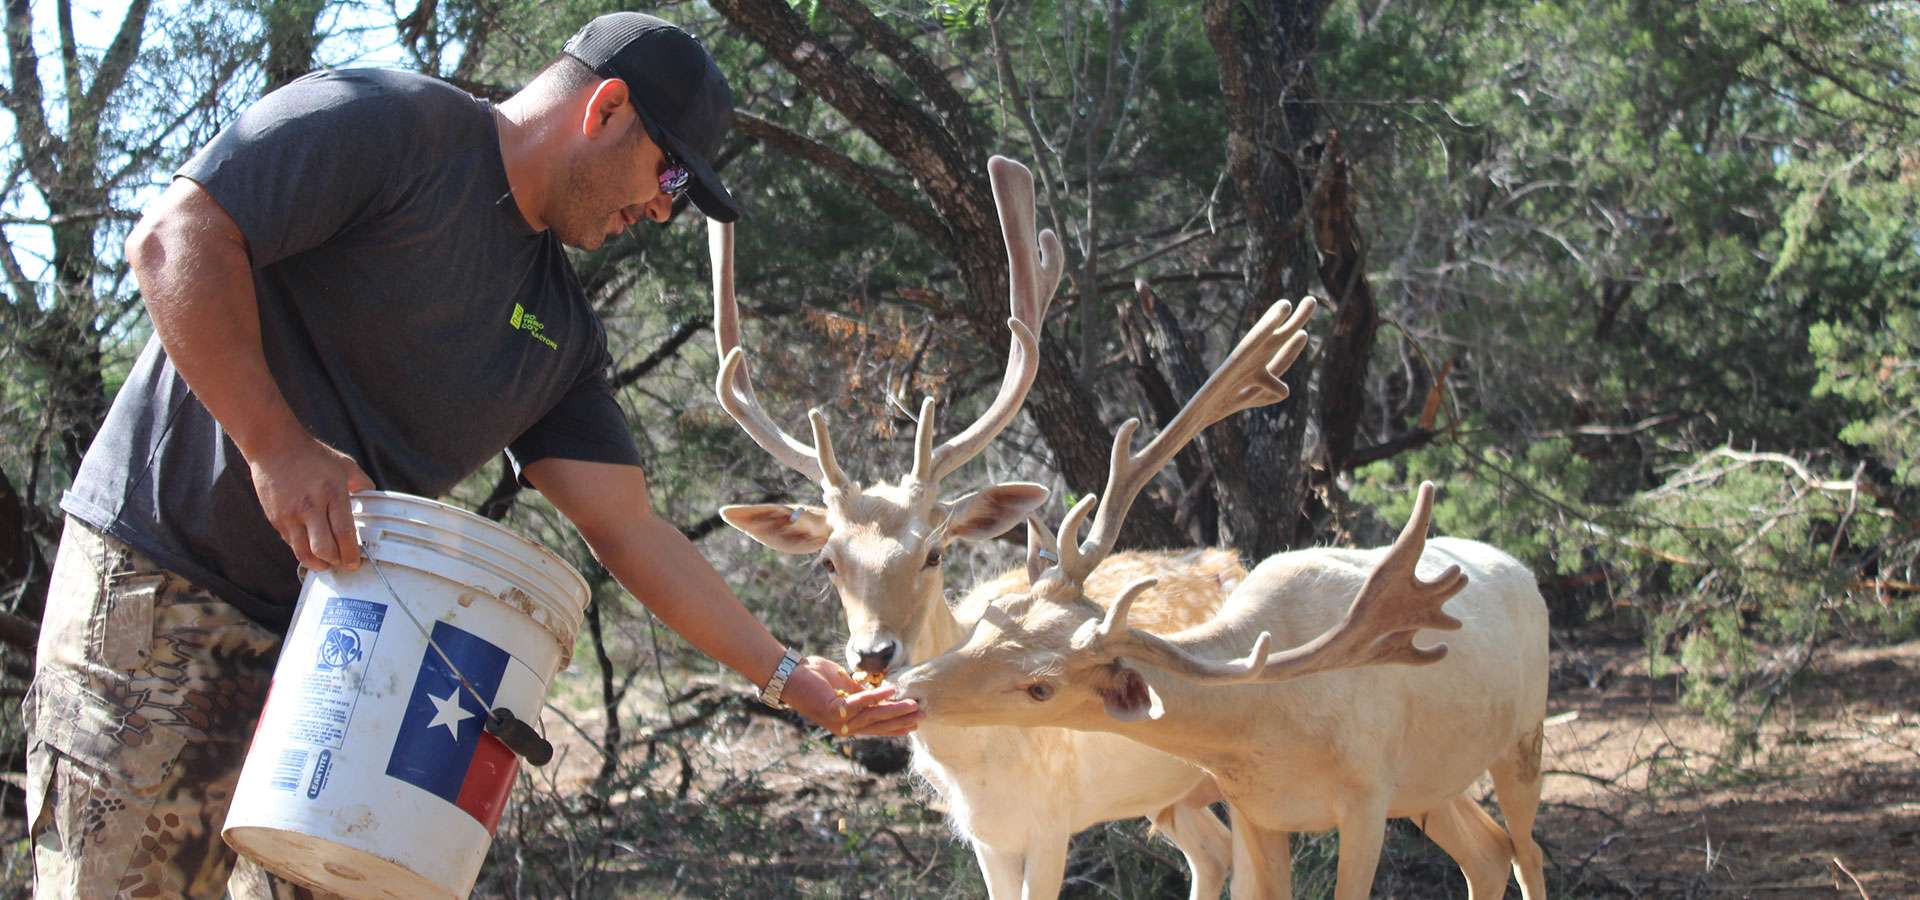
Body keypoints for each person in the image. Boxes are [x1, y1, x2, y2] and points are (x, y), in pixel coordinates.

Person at [23, 12, 920, 897]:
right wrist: (277, 447)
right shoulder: (387, 122)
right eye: (670, 170)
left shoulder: (560, 333)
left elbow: (632, 530)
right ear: (606, 108)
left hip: (337, 653)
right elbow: (175, 238)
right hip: (163, 592)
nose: (661, 208)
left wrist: (793, 679)